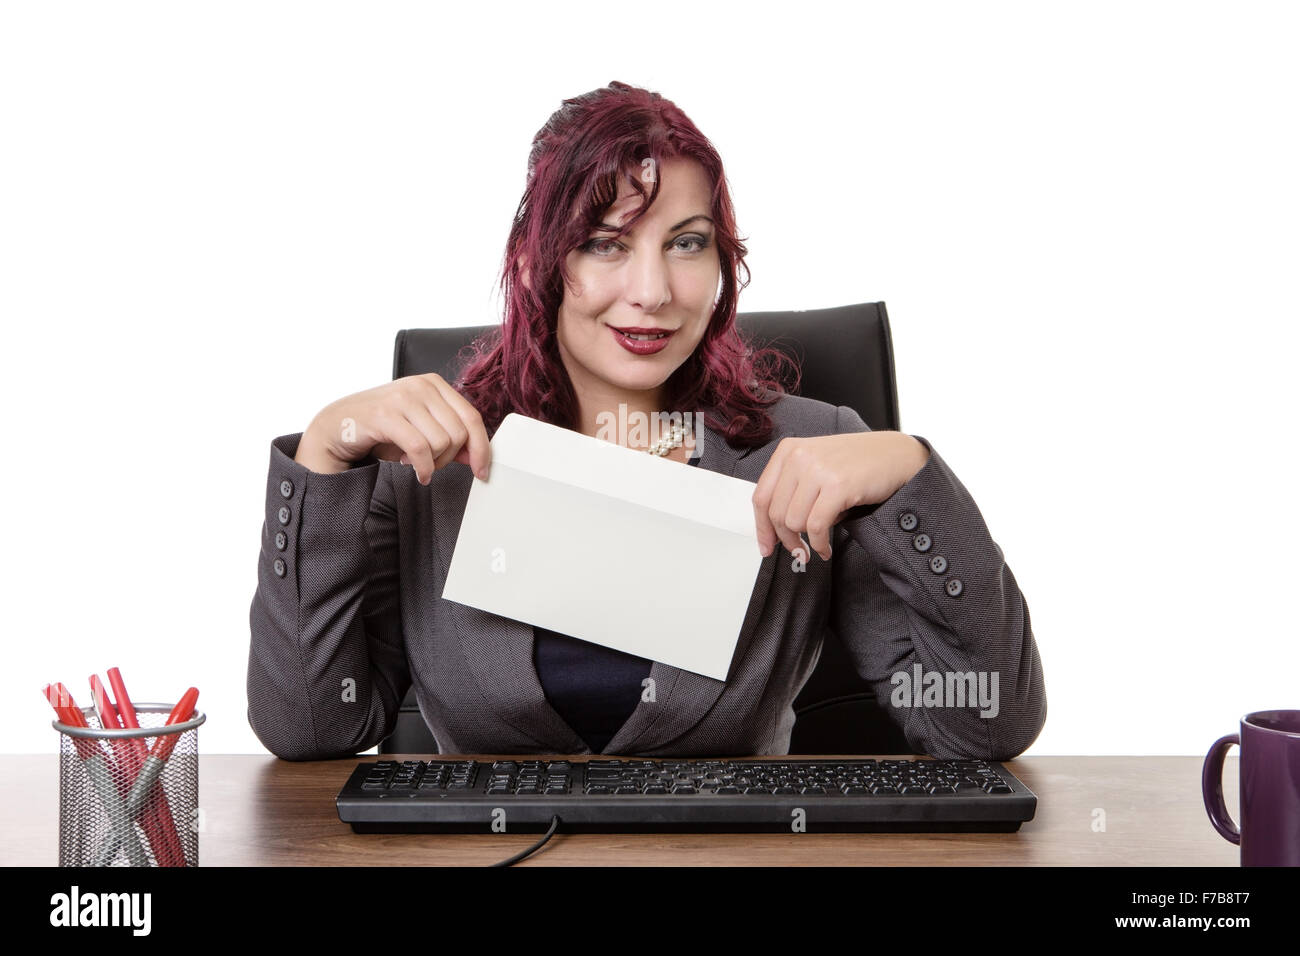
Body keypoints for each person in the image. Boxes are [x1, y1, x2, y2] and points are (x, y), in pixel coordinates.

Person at [247, 81, 1046, 762]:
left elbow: (984, 722)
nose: (654, 290)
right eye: (605, 244)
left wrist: (913, 475)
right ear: (535, 261)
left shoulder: (808, 452)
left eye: (687, 243)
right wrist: (322, 458)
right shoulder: (426, 467)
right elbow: (312, 726)